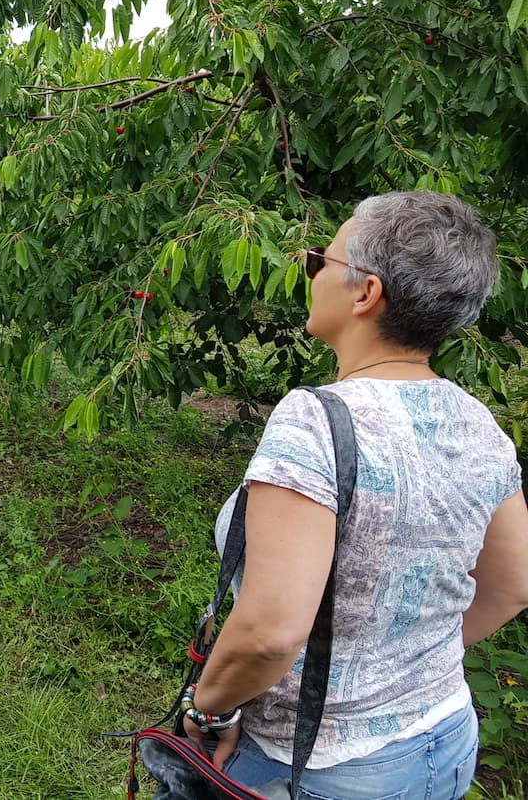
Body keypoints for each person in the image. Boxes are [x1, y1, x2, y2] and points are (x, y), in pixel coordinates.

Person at [178, 191, 528, 799]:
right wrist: (392, 663)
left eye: (321, 261)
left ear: (365, 293)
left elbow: (269, 632)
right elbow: (514, 583)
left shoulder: (316, 420)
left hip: (320, 764)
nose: (311, 273)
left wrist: (209, 708)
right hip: (444, 737)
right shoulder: (479, 425)